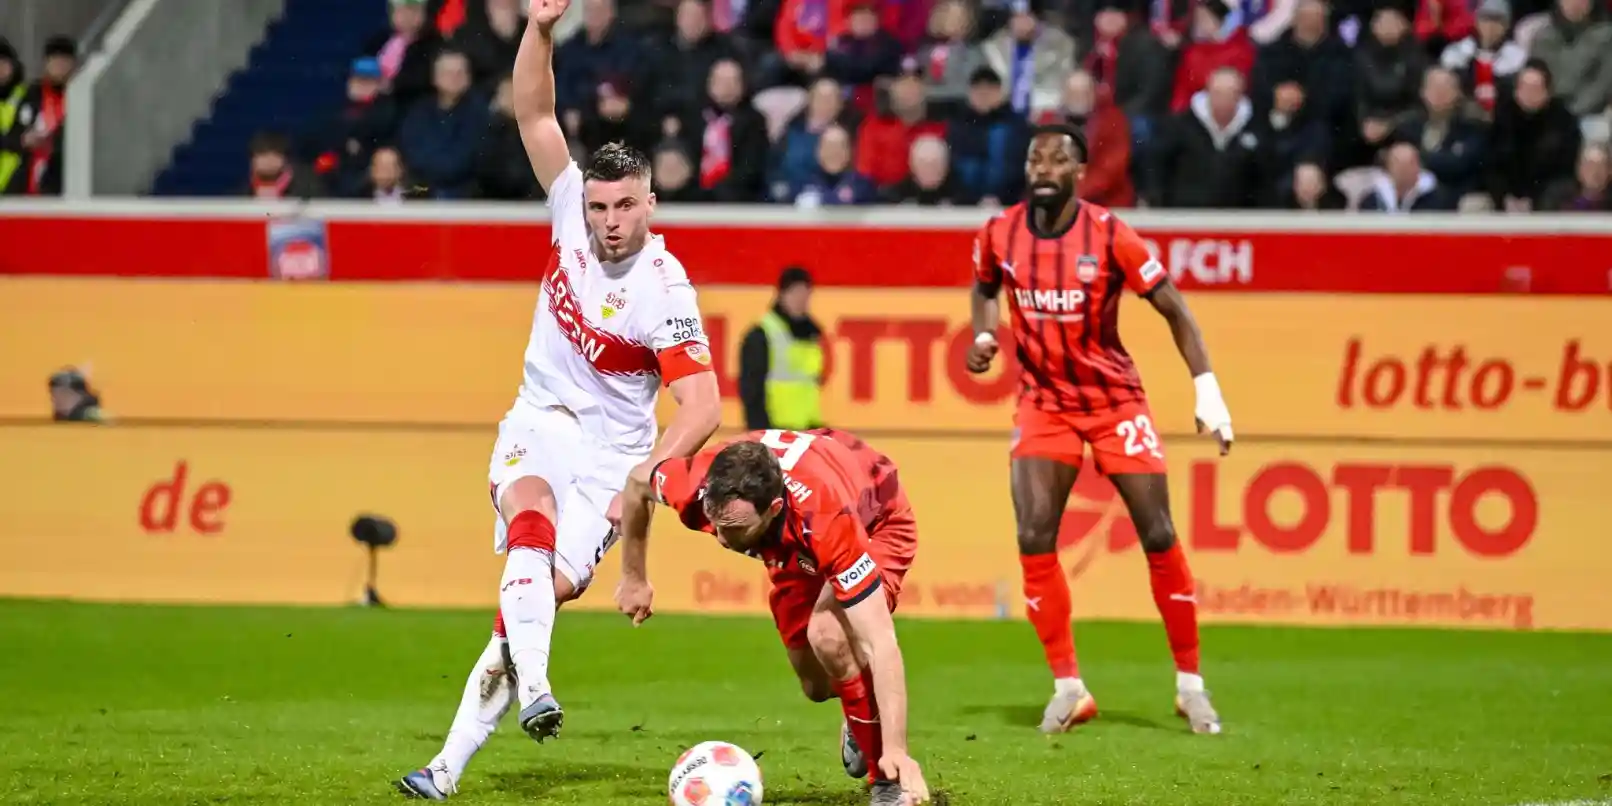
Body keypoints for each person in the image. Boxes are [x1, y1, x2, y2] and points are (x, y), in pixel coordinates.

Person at [395, 0, 723, 797]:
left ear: (651, 205)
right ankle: (536, 688)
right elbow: (536, 111)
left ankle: (445, 769)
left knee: (535, 593)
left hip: (610, 460)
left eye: (624, 207)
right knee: (528, 523)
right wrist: (540, 31)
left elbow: (703, 405)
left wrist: (648, 473)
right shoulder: (568, 205)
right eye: (599, 207)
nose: (608, 221)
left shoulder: (664, 289)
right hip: (537, 423)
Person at [965, 121, 1234, 736]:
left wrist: (1208, 391)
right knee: (1034, 533)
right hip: (1043, 401)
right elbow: (984, 288)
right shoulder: (997, 232)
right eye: (1035, 157)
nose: (1042, 167)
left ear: (1079, 173)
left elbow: (1175, 308)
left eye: (1058, 159)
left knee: (1158, 530)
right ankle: (1069, 687)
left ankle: (1191, 685)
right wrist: (984, 335)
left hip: (1115, 402)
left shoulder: (1111, 235)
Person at [614, 428, 931, 806]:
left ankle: (888, 784)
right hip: (792, 541)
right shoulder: (692, 483)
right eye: (716, 522)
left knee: (830, 635)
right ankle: (860, 705)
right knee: (816, 685)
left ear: (774, 509)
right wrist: (633, 577)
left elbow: (880, 641)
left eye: (733, 529)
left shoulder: (826, 519)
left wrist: (896, 749)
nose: (720, 538)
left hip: (876, 519)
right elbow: (636, 482)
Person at [738, 266, 825, 431]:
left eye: (805, 294)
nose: (800, 300)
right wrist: (760, 433)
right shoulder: (762, 334)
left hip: (806, 430)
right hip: (774, 430)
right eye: (795, 293)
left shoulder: (811, 335)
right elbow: (751, 390)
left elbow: (808, 385)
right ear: (781, 294)